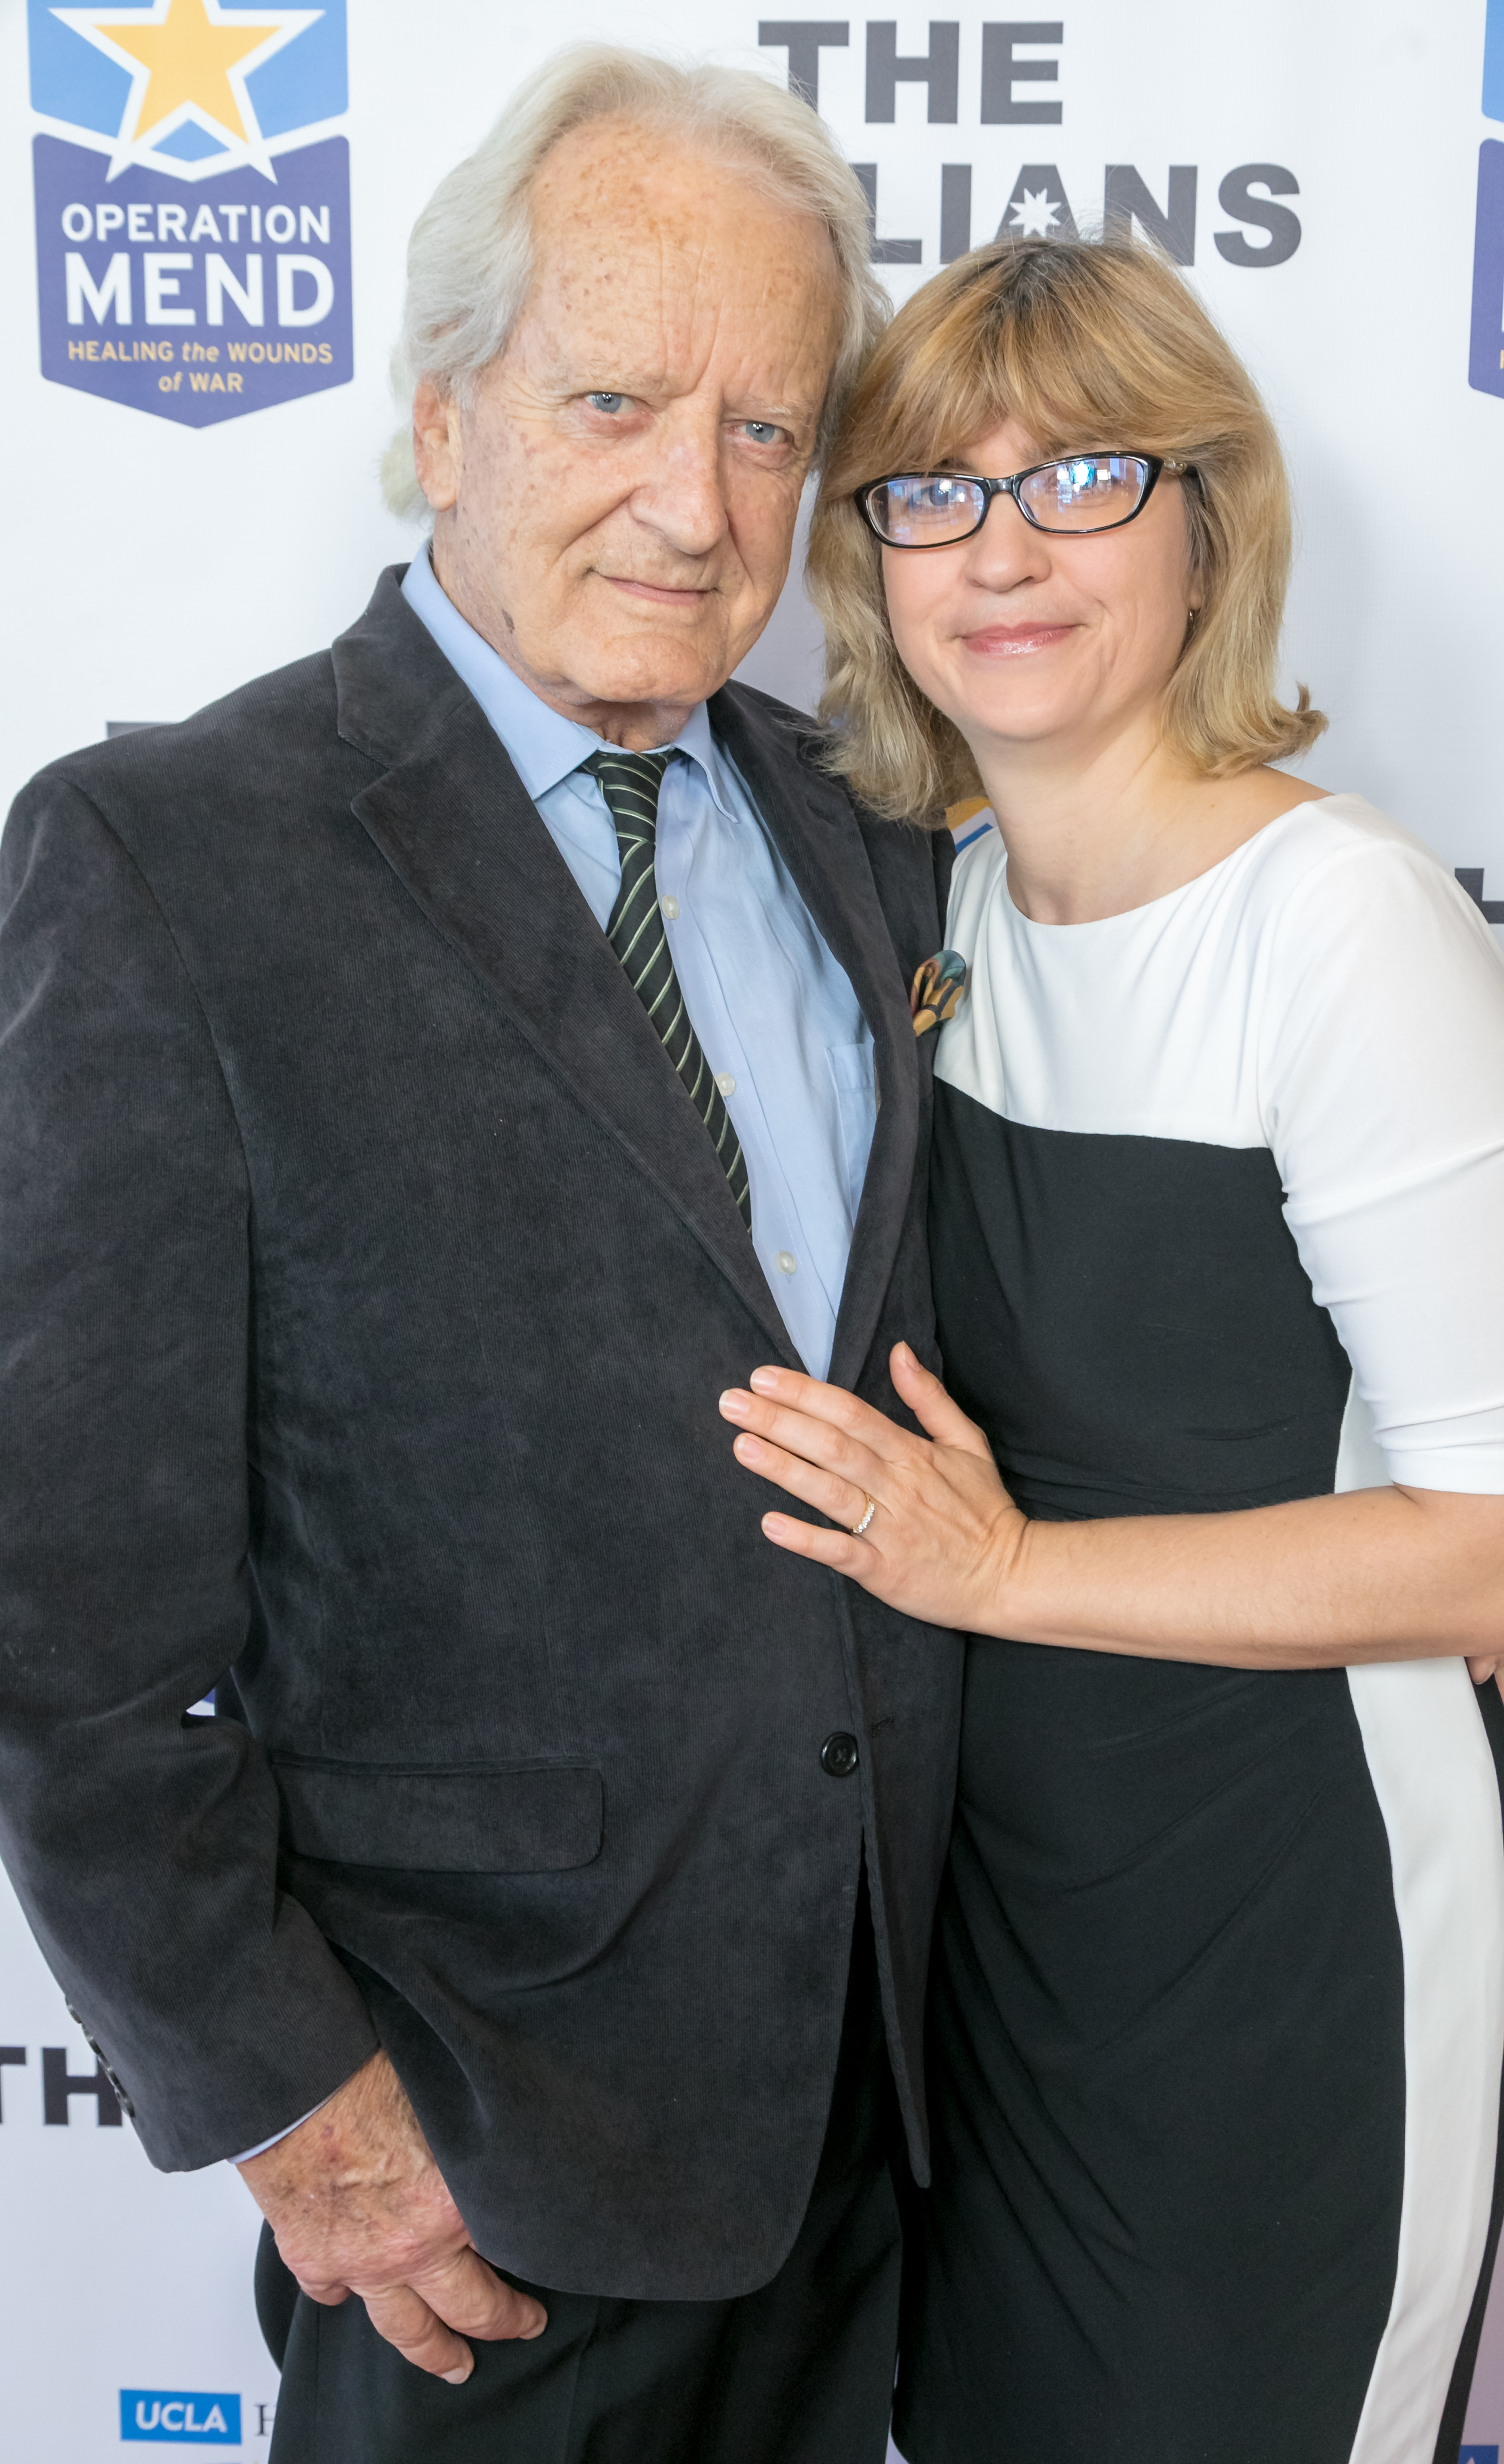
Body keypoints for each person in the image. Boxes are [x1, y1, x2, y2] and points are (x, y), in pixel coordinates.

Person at [0, 48, 962, 2464]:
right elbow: (66, 1606)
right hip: (479, 2188)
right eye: (617, 399)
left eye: (767, 428)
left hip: (909, 2127)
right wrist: (297, 2113)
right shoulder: (169, 861)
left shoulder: (876, 835)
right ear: (446, 419)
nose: (694, 498)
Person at [717, 235, 1504, 2464]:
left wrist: (1007, 1577)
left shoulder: (1339, 930)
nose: (1001, 552)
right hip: (1001, 1938)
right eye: (933, 492)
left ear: (1210, 522)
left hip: (1284, 1925)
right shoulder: (932, 899)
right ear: (873, 559)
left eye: (1083, 480)